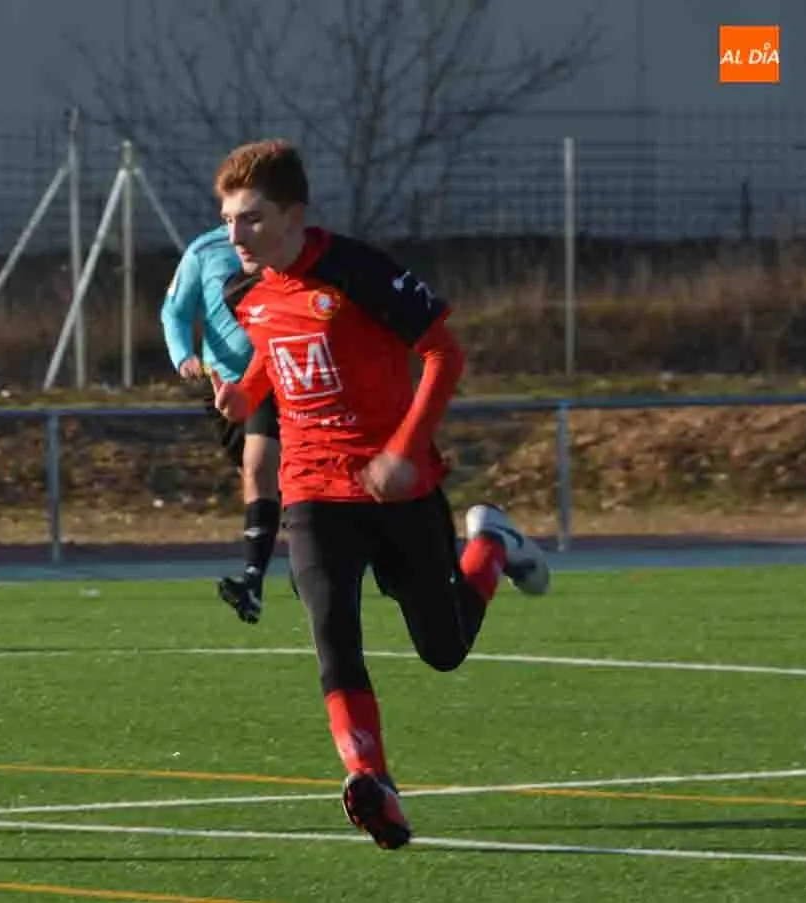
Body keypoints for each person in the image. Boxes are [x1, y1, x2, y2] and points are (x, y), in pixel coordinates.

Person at [209, 139, 551, 850]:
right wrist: (244, 396)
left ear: (294, 214)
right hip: (311, 491)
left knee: (444, 648)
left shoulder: (357, 270)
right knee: (334, 634)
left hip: (399, 490)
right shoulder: (243, 292)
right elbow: (276, 359)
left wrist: (402, 451)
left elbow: (443, 353)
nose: (233, 234)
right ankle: (373, 780)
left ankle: (489, 543)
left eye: (249, 218)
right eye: (228, 219)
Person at [160, 224, 282, 623]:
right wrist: (183, 356)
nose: (239, 227)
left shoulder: (287, 244)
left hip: (275, 378)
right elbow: (174, 311)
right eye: (232, 213)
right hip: (222, 388)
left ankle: (253, 580)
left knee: (258, 466)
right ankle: (313, 555)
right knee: (272, 482)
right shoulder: (204, 249)